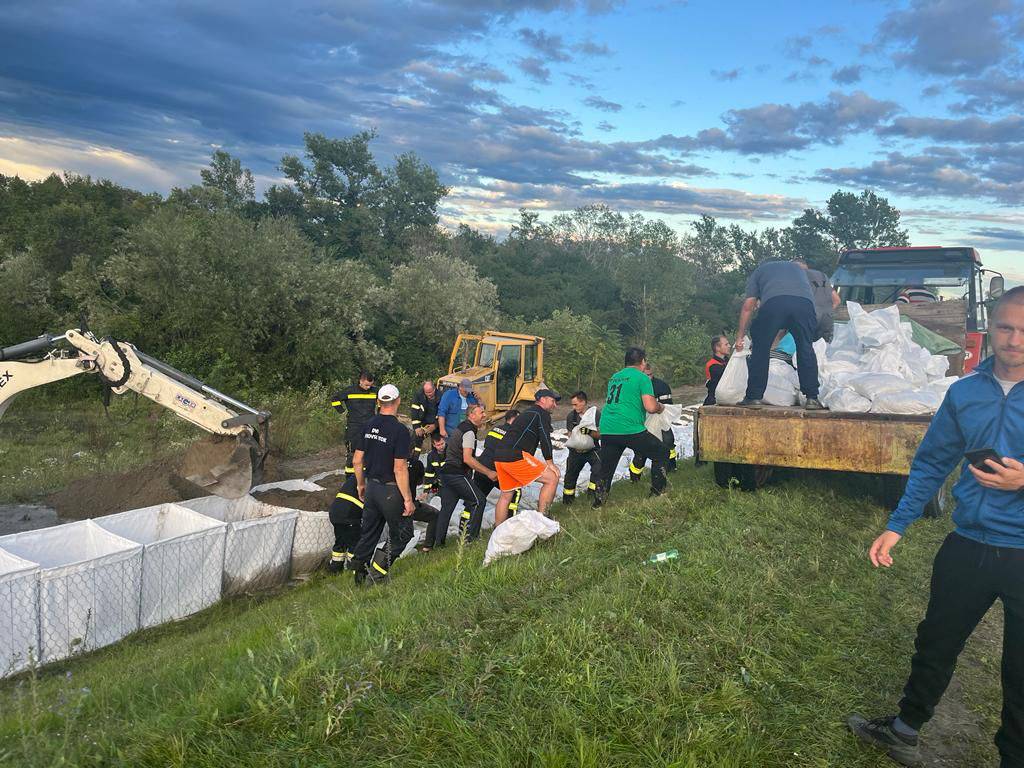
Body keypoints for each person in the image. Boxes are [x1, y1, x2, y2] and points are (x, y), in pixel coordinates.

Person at [848, 286, 1024, 768]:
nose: (1015, 339)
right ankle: (904, 732)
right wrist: (897, 524)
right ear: (991, 327)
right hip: (968, 544)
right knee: (935, 642)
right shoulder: (964, 392)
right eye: (1006, 327)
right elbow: (932, 463)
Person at [735, 260, 824, 410]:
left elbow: (748, 306)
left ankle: (754, 397)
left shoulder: (758, 272)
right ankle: (812, 398)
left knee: (761, 349)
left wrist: (740, 336)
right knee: (805, 348)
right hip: (805, 305)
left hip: (774, 304)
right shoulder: (798, 270)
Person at [350, 384, 414, 586]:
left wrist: (361, 485)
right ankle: (377, 574)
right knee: (403, 533)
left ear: (378, 402)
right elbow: (400, 468)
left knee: (369, 533)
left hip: (371, 488)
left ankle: (358, 574)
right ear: (398, 401)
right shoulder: (400, 430)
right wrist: (407, 498)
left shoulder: (368, 425)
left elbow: (356, 461)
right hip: (390, 490)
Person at [592, 347, 668, 507]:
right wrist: (660, 407)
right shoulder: (642, 378)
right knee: (660, 452)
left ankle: (598, 502)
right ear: (642, 362)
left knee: (607, 468)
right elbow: (650, 407)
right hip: (629, 427)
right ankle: (657, 493)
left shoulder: (615, 377)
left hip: (607, 427)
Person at [493, 389, 561, 524]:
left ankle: (498, 531)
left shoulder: (527, 413)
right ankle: (543, 522)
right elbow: (545, 438)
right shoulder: (541, 413)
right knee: (552, 478)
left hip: (499, 456)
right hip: (515, 455)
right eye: (553, 401)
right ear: (542, 400)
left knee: (506, 495)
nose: (555, 405)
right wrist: (550, 463)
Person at [432, 403, 494, 547]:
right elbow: (467, 458)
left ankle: (438, 544)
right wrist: (488, 472)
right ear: (471, 415)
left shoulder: (462, 427)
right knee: (479, 501)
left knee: (446, 509)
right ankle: (472, 540)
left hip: (447, 473)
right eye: (481, 413)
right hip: (457, 474)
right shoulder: (469, 432)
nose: (484, 415)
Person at [475, 409, 522, 518]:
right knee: (515, 492)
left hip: (481, 467)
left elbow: (488, 444)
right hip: (496, 470)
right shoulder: (513, 433)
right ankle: (509, 521)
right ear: (514, 419)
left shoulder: (495, 429)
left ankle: (466, 528)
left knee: (476, 499)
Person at [331, 371, 378, 476]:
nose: (368, 388)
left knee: (369, 452)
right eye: (366, 385)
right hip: (354, 428)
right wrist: (342, 411)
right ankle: (350, 478)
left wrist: (379, 414)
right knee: (353, 454)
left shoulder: (375, 391)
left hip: (370, 426)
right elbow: (335, 399)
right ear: (360, 381)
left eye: (370, 385)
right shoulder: (350, 391)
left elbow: (381, 402)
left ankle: (366, 476)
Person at [563, 392, 601, 505]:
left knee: (599, 469)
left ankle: (592, 495)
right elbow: (570, 435)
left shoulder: (595, 414)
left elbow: (600, 434)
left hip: (592, 450)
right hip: (575, 452)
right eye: (572, 405)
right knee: (570, 475)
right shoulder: (571, 416)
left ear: (583, 402)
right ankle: (568, 501)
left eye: (575, 404)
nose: (573, 407)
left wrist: (588, 432)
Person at [794, 258, 841, 342]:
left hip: (809, 318)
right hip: (827, 319)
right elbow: (837, 300)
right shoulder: (822, 275)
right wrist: (826, 310)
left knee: (805, 348)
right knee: (824, 348)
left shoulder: (798, 275)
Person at [326, 473, 363, 573]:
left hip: (335, 512)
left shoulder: (356, 475)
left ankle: (335, 569)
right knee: (355, 544)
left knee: (340, 542)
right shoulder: (372, 476)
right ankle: (354, 570)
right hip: (349, 515)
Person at [410, 379, 440, 456]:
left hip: (437, 424)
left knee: (437, 444)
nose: (429, 394)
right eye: (427, 393)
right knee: (415, 440)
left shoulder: (441, 395)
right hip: (424, 423)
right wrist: (417, 427)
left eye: (431, 392)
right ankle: (414, 460)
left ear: (434, 389)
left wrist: (435, 425)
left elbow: (443, 413)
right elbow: (414, 411)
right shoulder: (419, 395)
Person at [703, 335, 731, 406]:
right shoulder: (712, 365)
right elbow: (727, 375)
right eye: (726, 344)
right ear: (717, 348)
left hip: (726, 398)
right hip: (713, 401)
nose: (729, 346)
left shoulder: (728, 361)